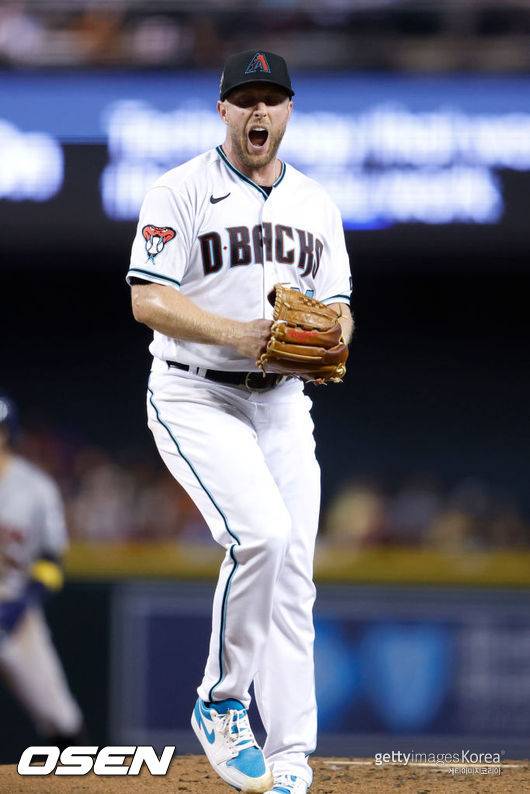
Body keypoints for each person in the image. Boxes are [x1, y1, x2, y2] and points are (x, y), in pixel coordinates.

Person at [128, 50, 353, 794]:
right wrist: (237, 334)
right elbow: (148, 301)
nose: (261, 112)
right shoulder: (180, 190)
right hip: (197, 392)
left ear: (289, 110)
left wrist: (334, 336)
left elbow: (340, 307)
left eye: (274, 99)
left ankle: (290, 756)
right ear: (221, 109)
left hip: (283, 401)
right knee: (260, 535)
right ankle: (221, 703)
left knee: (294, 577)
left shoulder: (316, 203)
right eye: (246, 99)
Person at [0, 395, 86, 751]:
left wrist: (21, 606)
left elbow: (52, 561)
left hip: (15, 611)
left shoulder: (35, 488)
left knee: (60, 716)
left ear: (7, 432)